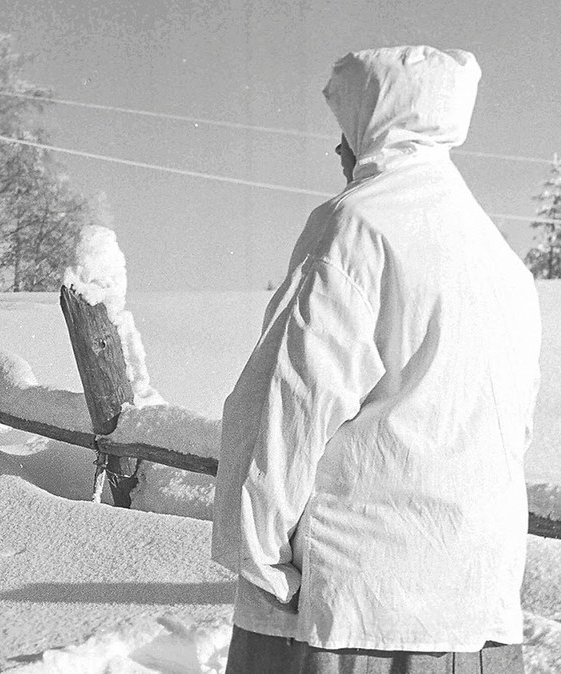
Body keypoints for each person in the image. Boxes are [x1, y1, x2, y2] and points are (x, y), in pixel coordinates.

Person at [212, 46, 540, 673]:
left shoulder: (354, 228)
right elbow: (510, 429)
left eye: (348, 129)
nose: (339, 149)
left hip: (353, 610)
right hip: (475, 609)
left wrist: (260, 561)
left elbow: (289, 405)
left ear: (376, 125)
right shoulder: (501, 261)